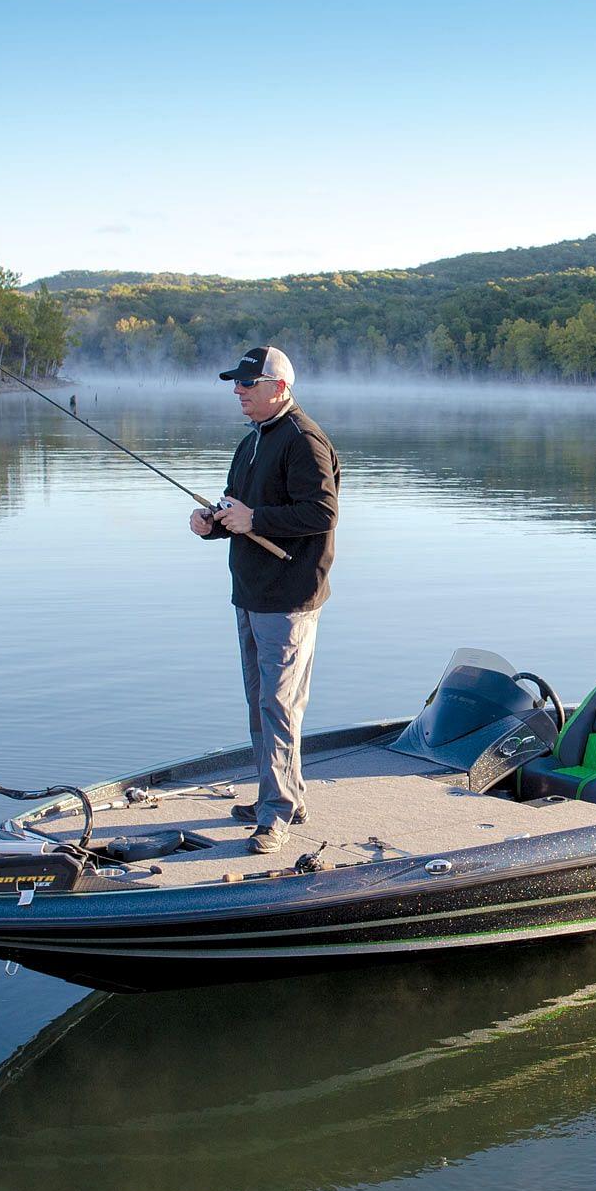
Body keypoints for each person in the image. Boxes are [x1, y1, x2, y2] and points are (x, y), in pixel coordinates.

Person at [190, 345, 341, 852]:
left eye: (247, 384)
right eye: (236, 383)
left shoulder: (304, 440)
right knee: (263, 703)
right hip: (251, 592)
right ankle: (282, 796)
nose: (238, 391)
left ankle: (274, 814)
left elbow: (322, 513)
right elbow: (239, 507)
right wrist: (212, 524)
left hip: (290, 596)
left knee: (278, 704)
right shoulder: (251, 442)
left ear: (278, 388)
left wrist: (256, 520)